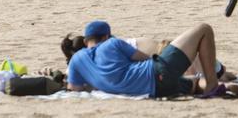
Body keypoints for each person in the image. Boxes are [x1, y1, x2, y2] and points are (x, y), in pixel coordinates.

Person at [66, 20, 229, 98]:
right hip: (155, 75)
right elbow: (148, 60)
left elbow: (75, 90)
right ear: (106, 36)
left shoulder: (76, 61)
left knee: (192, 83)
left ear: (86, 41)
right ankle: (212, 85)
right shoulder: (112, 44)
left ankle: (214, 85)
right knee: (203, 29)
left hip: (153, 90)